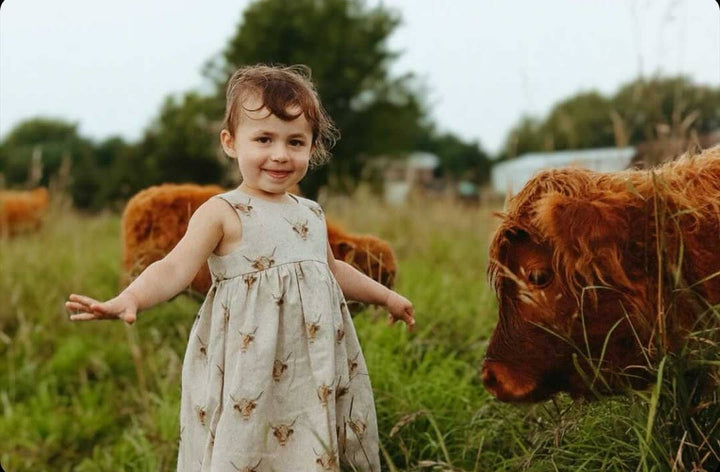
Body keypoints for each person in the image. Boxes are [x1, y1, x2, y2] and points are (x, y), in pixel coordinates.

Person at [66, 64, 415, 472]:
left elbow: (333, 270)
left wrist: (387, 297)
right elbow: (174, 267)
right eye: (264, 139)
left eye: (296, 142)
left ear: (312, 147)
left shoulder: (311, 212)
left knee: (312, 443)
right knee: (249, 445)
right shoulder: (222, 212)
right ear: (231, 143)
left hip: (313, 368)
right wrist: (129, 298)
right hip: (248, 369)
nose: (280, 155)